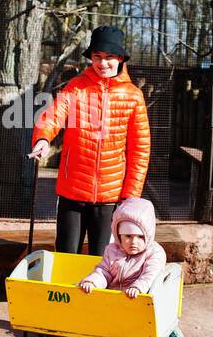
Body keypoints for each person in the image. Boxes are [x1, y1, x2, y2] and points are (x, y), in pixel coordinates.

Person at [29, 25, 150, 256]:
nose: (102, 63)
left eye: (109, 57)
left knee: (102, 259)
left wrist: (130, 195)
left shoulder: (133, 95)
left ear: (121, 58)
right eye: (97, 57)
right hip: (72, 191)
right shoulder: (77, 87)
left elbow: (140, 150)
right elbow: (54, 115)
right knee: (66, 254)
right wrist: (43, 139)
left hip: (110, 196)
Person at [77, 197, 166, 298]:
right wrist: (93, 282)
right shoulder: (112, 250)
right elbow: (104, 271)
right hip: (113, 298)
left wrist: (137, 287)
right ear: (119, 235)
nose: (134, 242)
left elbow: (150, 273)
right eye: (128, 236)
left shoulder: (153, 252)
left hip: (138, 299)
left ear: (148, 235)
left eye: (140, 237)